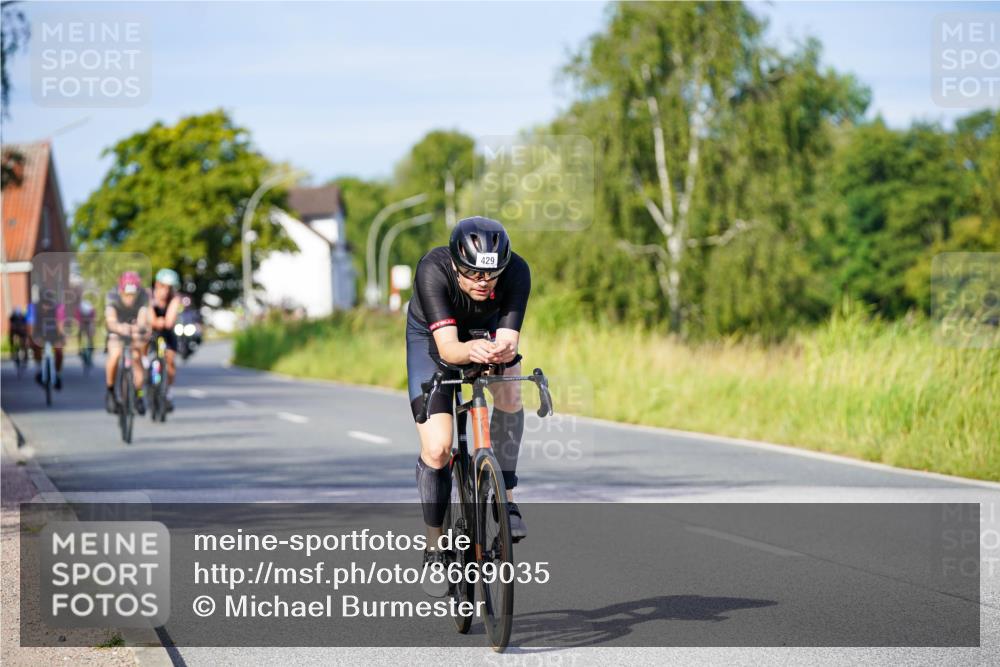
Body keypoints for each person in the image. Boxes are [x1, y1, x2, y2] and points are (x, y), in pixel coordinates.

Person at [406, 216, 531, 597]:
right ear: (456, 265)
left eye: (490, 277)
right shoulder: (432, 269)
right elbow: (448, 349)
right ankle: (434, 546)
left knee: (510, 393)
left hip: (486, 335)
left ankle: (506, 499)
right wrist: (470, 351)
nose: (482, 283)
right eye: (472, 274)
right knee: (438, 447)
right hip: (434, 343)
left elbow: (509, 336)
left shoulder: (517, 272)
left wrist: (500, 351)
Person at [105, 271, 150, 415]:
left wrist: (138, 328)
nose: (130, 299)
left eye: (133, 294)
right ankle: (111, 391)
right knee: (115, 354)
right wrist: (119, 327)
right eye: (127, 294)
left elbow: (143, 319)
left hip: (134, 327)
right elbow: (110, 319)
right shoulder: (112, 295)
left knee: (137, 358)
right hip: (117, 328)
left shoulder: (143, 296)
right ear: (121, 290)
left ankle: (138, 395)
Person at [149, 268, 183, 410]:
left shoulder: (174, 299)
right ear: (157, 284)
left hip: (167, 332)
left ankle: (167, 391)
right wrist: (155, 321)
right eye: (163, 286)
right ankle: (146, 369)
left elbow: (169, 321)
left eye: (169, 287)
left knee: (170, 359)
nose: (166, 291)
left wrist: (162, 322)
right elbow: (150, 318)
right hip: (150, 332)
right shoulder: (148, 296)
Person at [25, 298, 65, 390]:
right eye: (44, 305)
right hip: (39, 334)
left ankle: (56, 373)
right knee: (36, 346)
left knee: (59, 352)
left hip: (54, 335)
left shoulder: (57, 308)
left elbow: (60, 324)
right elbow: (30, 325)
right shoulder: (33, 308)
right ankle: (40, 368)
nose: (46, 307)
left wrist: (61, 337)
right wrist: (31, 338)